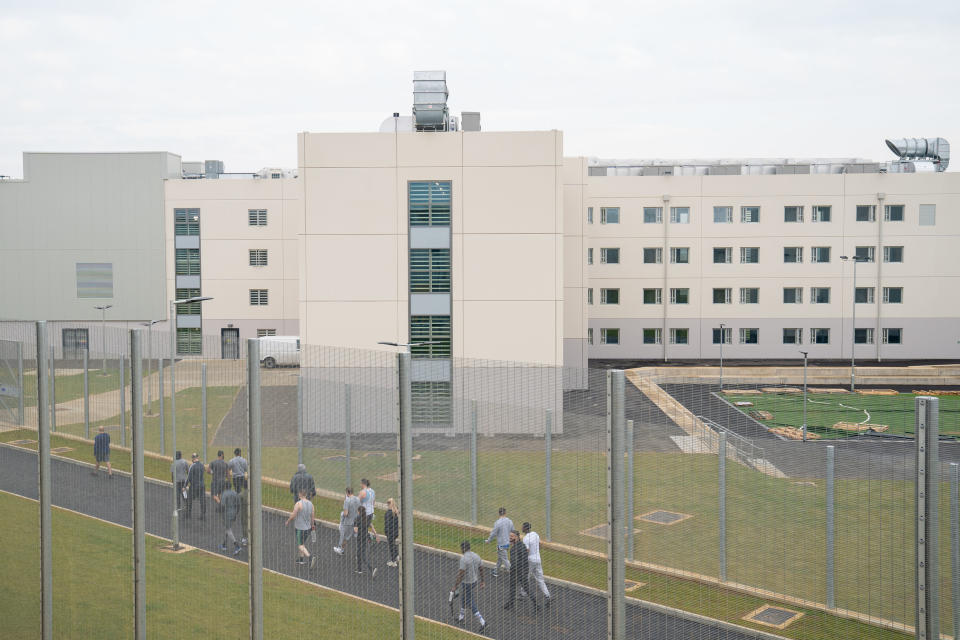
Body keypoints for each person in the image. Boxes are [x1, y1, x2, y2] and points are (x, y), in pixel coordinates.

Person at [451, 540, 486, 633]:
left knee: (470, 602)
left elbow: (461, 574)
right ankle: (461, 617)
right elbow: (481, 568)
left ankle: (482, 622)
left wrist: (455, 586)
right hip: (474, 581)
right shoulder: (476, 555)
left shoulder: (464, 559)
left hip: (467, 583)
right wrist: (482, 581)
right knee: (464, 597)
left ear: (463, 548)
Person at [504, 529, 538, 611]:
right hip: (523, 570)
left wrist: (511, 570)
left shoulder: (514, 549)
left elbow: (514, 562)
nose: (510, 538)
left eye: (511, 536)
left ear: (517, 537)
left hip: (517, 571)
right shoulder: (522, 546)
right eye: (509, 536)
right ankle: (536, 604)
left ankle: (511, 604)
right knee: (526, 588)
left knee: (513, 587)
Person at [285, 488, 316, 568]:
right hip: (308, 528)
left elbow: (293, 515)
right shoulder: (311, 504)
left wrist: (288, 521)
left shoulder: (298, 504)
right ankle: (301, 559)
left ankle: (310, 557)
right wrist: (312, 526)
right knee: (302, 543)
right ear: (305, 495)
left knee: (300, 545)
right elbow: (312, 517)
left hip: (300, 528)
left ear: (299, 495)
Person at [522, 522, 551, 606]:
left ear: (525, 528)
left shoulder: (525, 538)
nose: (522, 528)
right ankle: (547, 595)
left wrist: (524, 559)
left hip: (530, 560)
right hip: (538, 559)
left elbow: (526, 551)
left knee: (525, 577)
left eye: (522, 527)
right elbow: (540, 544)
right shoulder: (535, 534)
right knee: (540, 579)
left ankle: (522, 594)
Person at [486, 506, 513, 577]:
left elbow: (493, 533)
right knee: (500, 558)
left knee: (505, 560)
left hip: (501, 545)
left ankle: (513, 573)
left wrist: (489, 540)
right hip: (507, 544)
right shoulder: (510, 521)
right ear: (505, 513)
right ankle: (495, 571)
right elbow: (513, 532)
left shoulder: (497, 523)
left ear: (499, 513)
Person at [333, 486, 360, 555]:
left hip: (347, 522)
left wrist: (343, 514)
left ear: (347, 493)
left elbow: (346, 513)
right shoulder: (357, 499)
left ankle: (340, 548)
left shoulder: (347, 501)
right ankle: (342, 550)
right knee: (348, 537)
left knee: (343, 535)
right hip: (355, 521)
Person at [217, 485, 242, 556]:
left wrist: (218, 511)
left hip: (226, 514)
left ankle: (237, 546)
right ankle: (224, 544)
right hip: (233, 513)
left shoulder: (224, 494)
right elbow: (238, 505)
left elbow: (222, 506)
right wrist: (236, 514)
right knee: (227, 528)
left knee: (228, 529)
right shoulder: (235, 493)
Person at [353, 502, 377, 577]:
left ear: (359, 511)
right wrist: (376, 535)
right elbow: (371, 526)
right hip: (365, 537)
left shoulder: (357, 518)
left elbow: (356, 530)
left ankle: (372, 569)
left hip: (359, 538)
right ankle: (359, 569)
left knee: (362, 555)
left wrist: (354, 527)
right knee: (359, 553)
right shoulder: (366, 518)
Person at [184, 453, 206, 520]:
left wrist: (184, 486)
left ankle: (188, 514)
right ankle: (203, 515)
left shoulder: (192, 466)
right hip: (202, 485)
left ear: (193, 458)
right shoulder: (202, 465)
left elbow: (189, 477)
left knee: (189, 500)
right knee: (202, 501)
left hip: (194, 486)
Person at [384, 498, 399, 567]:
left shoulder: (388, 513)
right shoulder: (396, 511)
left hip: (390, 532)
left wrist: (386, 531)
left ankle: (394, 561)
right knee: (393, 544)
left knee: (391, 546)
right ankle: (396, 557)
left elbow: (387, 524)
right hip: (395, 532)